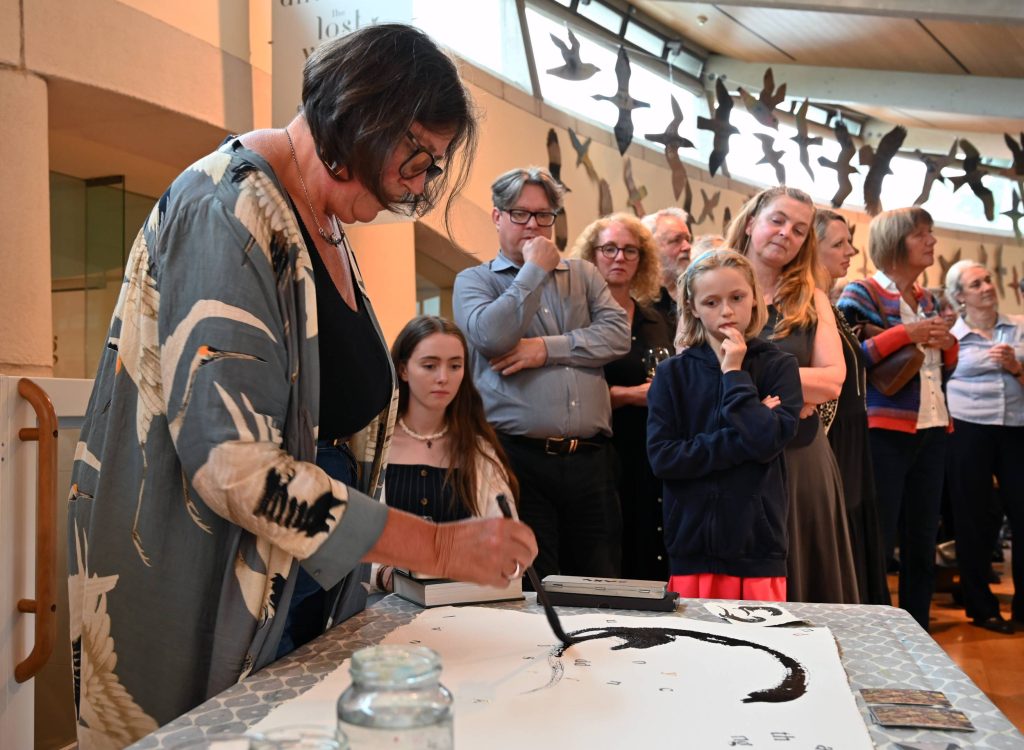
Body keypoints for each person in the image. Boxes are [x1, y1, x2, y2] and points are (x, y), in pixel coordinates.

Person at [66, 25, 537, 748]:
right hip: (212, 593)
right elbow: (235, 467)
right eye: (418, 157)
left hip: (298, 589)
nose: (418, 184)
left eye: (431, 165)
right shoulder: (228, 207)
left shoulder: (317, 217)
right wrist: (437, 549)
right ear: (363, 113)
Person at [454, 166, 631, 582]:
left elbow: (618, 335)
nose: (533, 224)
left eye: (543, 214)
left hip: (592, 459)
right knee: (535, 584)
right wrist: (533, 272)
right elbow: (492, 336)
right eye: (520, 214)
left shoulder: (584, 275)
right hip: (518, 458)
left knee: (602, 581)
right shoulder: (474, 281)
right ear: (497, 217)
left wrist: (543, 350)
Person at [725, 186, 859, 605]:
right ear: (751, 222)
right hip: (733, 453)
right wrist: (797, 386)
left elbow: (834, 380)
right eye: (778, 220)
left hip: (802, 458)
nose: (787, 233)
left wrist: (746, 375)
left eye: (800, 230)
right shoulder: (715, 283)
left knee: (807, 588)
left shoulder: (812, 296)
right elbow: (697, 376)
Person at [647, 249, 802, 600]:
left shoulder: (778, 366)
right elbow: (665, 459)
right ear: (693, 307)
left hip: (757, 546)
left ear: (755, 297)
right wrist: (741, 436)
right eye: (712, 302)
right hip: (692, 545)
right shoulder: (673, 374)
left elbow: (766, 441)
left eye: (737, 298)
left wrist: (734, 373)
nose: (727, 311)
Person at [837, 207, 957, 631]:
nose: (931, 242)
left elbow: (943, 368)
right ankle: (873, 631)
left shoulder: (930, 299)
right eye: (922, 234)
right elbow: (851, 359)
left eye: (931, 233)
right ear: (895, 242)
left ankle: (917, 631)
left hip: (933, 425)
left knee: (923, 541)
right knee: (881, 537)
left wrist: (946, 342)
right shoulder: (860, 293)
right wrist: (910, 333)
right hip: (883, 431)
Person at [570, 213, 673, 580]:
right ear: (592, 255)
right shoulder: (576, 319)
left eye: (630, 251)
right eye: (609, 248)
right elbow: (570, 394)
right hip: (596, 453)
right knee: (606, 556)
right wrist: (628, 395)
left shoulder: (659, 320)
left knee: (650, 550)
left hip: (650, 451)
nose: (619, 258)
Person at [943, 260, 1024, 633]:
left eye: (989, 280)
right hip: (968, 429)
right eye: (977, 284)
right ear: (959, 296)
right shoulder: (952, 336)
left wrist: (1017, 367)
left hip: (1016, 429)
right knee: (973, 517)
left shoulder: (1018, 328)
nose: (988, 287)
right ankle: (981, 606)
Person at [814, 210, 890, 605]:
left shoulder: (831, 305)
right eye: (839, 244)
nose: (851, 251)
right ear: (812, 248)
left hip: (854, 436)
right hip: (830, 438)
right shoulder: (808, 306)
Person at [642, 207, 692, 329]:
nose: (687, 247)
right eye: (676, 240)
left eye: (687, 239)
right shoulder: (637, 304)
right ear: (651, 248)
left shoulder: (696, 296)